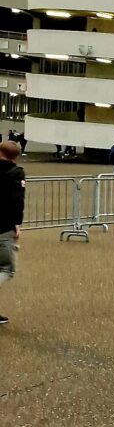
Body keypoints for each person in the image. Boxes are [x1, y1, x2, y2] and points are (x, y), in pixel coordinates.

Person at [0, 137, 25, 328]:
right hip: (3, 225)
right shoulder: (16, 174)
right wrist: (17, 222)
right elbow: (17, 200)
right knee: (7, 269)